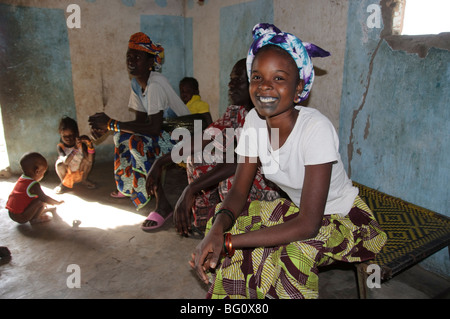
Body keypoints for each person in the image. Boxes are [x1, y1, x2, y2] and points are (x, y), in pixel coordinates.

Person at [190, 23, 387, 299]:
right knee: (227, 221)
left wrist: (229, 242)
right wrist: (218, 231)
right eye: (257, 77)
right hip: (300, 211)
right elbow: (238, 191)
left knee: (295, 250)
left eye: (279, 78)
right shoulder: (254, 122)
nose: (265, 86)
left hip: (346, 220)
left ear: (299, 90)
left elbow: (309, 224)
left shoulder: (315, 129)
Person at [145, 59, 280, 234]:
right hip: (245, 171)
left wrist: (191, 189)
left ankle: (234, 231)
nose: (231, 84)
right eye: (231, 79)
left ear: (257, 82)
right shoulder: (236, 111)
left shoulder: (266, 116)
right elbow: (205, 137)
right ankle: (206, 225)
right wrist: (161, 161)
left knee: (230, 178)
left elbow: (238, 162)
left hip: (269, 187)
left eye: (239, 80)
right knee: (196, 158)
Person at [88, 32, 190, 224]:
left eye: (137, 57)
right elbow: (141, 122)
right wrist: (110, 129)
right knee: (121, 137)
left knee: (138, 142)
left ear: (150, 61)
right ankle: (130, 187)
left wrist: (111, 124)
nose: (131, 61)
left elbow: (152, 128)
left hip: (185, 136)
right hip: (164, 132)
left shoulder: (156, 84)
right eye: (129, 56)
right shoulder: (137, 83)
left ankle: (163, 205)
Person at [6, 152, 64, 224]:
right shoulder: (34, 185)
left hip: (11, 214)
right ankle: (35, 219)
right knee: (41, 200)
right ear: (37, 171)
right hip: (21, 217)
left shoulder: (22, 178)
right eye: (43, 172)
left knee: (36, 197)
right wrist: (57, 202)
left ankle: (38, 211)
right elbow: (44, 198)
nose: (43, 175)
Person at [55, 116, 96, 194]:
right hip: (68, 175)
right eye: (65, 136)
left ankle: (84, 180)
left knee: (86, 160)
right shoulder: (61, 147)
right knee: (59, 164)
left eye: (71, 135)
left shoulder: (81, 145)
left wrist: (89, 144)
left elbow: (90, 161)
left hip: (80, 173)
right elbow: (66, 162)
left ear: (76, 134)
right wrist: (75, 150)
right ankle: (63, 183)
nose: (68, 138)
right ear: (60, 134)